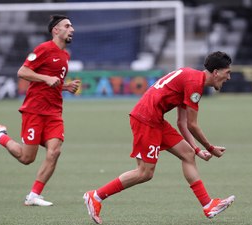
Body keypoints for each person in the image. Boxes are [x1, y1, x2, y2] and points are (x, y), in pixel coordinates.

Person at [83, 51, 235, 224]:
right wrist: (210, 148)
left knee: (188, 154)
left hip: (155, 118)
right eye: (227, 72)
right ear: (216, 72)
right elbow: (192, 125)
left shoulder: (191, 77)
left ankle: (208, 205)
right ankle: (95, 196)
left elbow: (182, 123)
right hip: (146, 119)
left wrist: (198, 150)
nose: (228, 77)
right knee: (144, 173)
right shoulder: (195, 85)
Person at [0, 15, 80, 206]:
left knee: (54, 152)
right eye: (67, 26)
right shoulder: (43, 49)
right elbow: (22, 72)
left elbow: (53, 82)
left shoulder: (65, 55)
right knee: (27, 158)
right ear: (56, 30)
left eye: (72, 25)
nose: (72, 29)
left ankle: (33, 195)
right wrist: (45, 78)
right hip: (34, 110)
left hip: (54, 112)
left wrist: (65, 87)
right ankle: (0, 136)